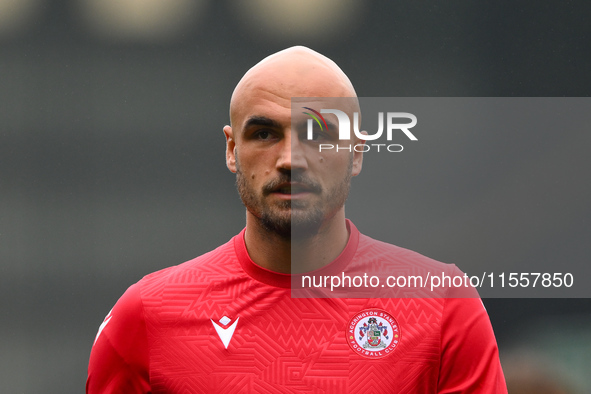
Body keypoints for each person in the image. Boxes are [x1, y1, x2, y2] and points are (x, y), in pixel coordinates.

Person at [87, 46, 507, 393]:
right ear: (232, 150)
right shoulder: (147, 316)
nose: (290, 160)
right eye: (265, 134)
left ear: (357, 152)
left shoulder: (441, 307)